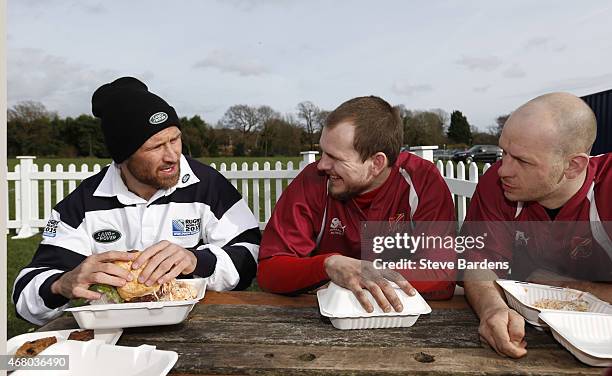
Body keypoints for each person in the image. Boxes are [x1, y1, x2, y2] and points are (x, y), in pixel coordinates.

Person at [12, 77, 260, 325]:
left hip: (201, 329)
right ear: (123, 156)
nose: (173, 156)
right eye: (155, 147)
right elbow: (24, 298)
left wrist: (197, 260)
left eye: (174, 140)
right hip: (113, 341)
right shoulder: (83, 203)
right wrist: (61, 284)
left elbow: (250, 255)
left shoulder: (208, 185)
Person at [257, 96, 457, 313]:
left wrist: (362, 274)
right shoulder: (314, 180)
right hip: (327, 321)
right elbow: (270, 270)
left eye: (335, 157)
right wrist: (329, 265)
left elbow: (442, 276)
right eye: (323, 152)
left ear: (376, 163)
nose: (322, 164)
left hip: (406, 320)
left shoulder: (421, 180)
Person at [462, 92, 611, 358]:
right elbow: (478, 263)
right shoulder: (497, 187)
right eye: (504, 153)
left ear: (573, 166)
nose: (503, 170)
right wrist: (492, 308)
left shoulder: (607, 190)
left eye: (522, 160)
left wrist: (585, 289)